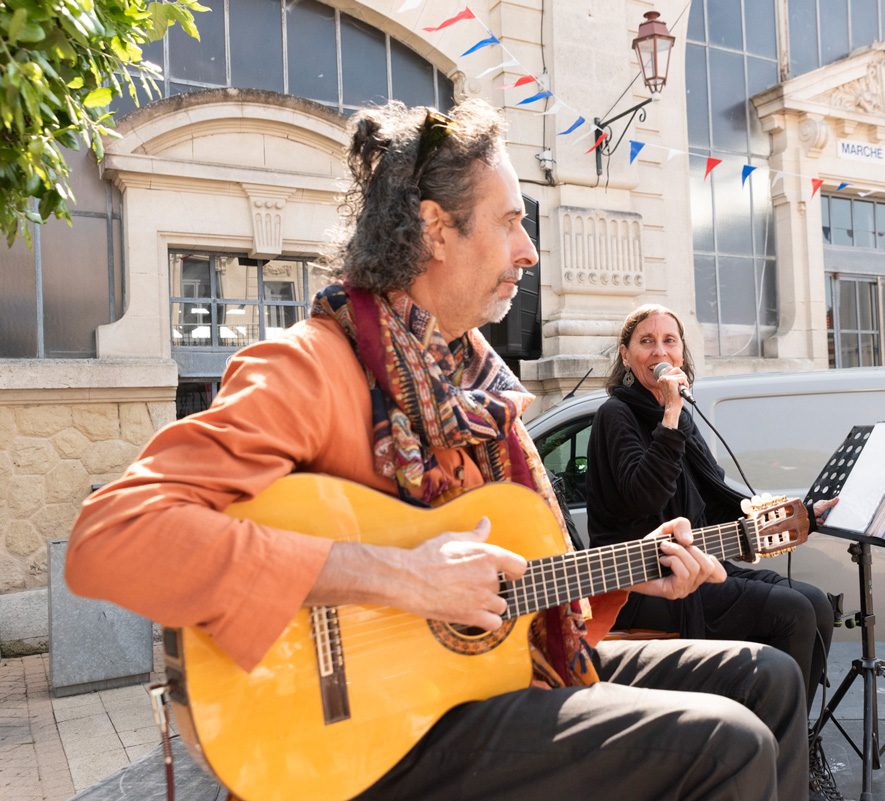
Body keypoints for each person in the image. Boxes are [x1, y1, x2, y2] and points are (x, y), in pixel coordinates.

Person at [65, 101, 810, 801]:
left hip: (490, 679)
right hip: (371, 733)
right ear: (434, 229)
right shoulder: (309, 366)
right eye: (512, 221)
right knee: (727, 742)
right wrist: (399, 577)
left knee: (766, 677)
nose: (529, 250)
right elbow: (110, 538)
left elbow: (522, 604)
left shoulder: (478, 388)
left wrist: (640, 563)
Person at [584, 305, 839, 797]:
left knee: (816, 605)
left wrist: (799, 514)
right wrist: (672, 413)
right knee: (791, 614)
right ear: (626, 353)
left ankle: (792, 741)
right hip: (643, 583)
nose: (660, 351)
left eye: (670, 341)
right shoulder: (616, 415)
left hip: (702, 566)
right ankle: (781, 770)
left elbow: (720, 496)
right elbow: (645, 497)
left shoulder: (682, 415)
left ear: (682, 350)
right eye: (647, 341)